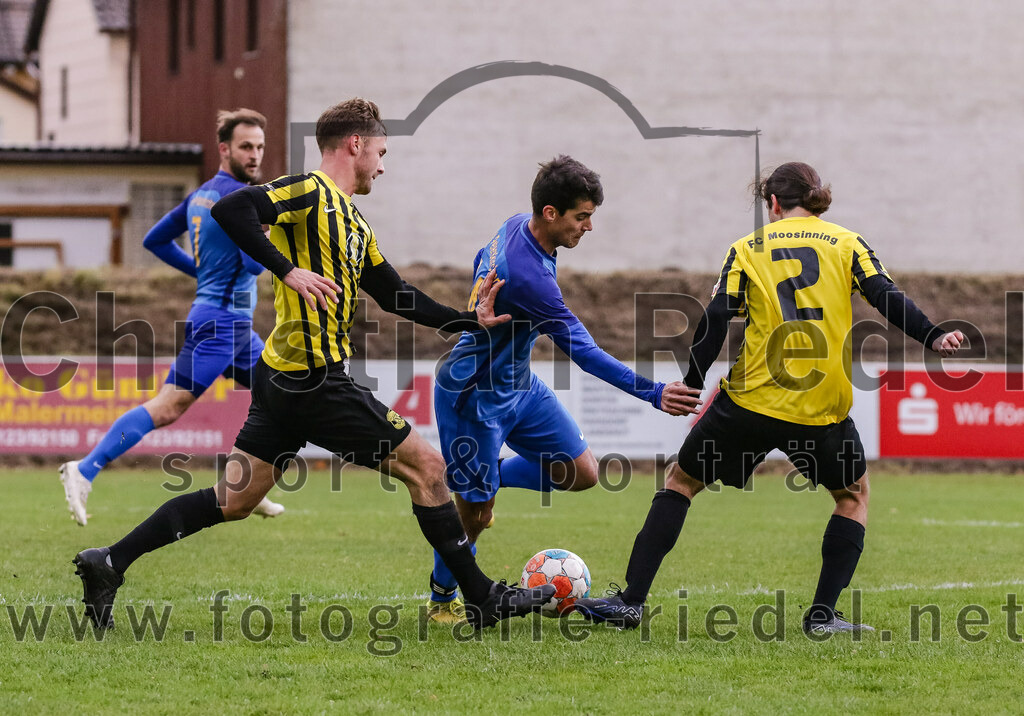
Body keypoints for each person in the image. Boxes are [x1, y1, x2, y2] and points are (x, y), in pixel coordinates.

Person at [71, 98, 554, 631]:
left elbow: (396, 295)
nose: (383, 166)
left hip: (283, 382)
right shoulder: (309, 191)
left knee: (233, 499)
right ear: (355, 145)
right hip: (314, 380)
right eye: (381, 152)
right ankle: (481, 598)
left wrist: (469, 321)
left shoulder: (355, 224)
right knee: (429, 468)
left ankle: (108, 562)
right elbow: (231, 211)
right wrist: (288, 269)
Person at [575, 162, 965, 634]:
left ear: (773, 204)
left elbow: (717, 317)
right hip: (820, 406)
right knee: (852, 497)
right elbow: (886, 296)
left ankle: (632, 602)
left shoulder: (747, 248)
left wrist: (693, 382)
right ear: (815, 198)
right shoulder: (848, 243)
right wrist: (933, 335)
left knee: (680, 482)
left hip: (751, 401)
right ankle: (822, 616)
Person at [426, 156, 702, 623]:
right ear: (550, 213)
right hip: (474, 396)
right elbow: (586, 353)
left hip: (520, 384)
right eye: (582, 216)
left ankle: (488, 476)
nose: (589, 226)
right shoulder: (530, 277)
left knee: (581, 473)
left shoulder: (517, 224)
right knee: (473, 517)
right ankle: (441, 600)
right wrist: (655, 393)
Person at [59, 108, 284, 525]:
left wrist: (202, 271)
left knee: (278, 396)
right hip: (221, 324)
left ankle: (244, 485)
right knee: (167, 408)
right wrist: (266, 237)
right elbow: (255, 267)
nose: (255, 155)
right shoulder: (240, 202)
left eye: (260, 147)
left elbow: (155, 239)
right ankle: (84, 469)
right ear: (224, 149)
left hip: (227, 323)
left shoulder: (201, 195)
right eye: (246, 147)